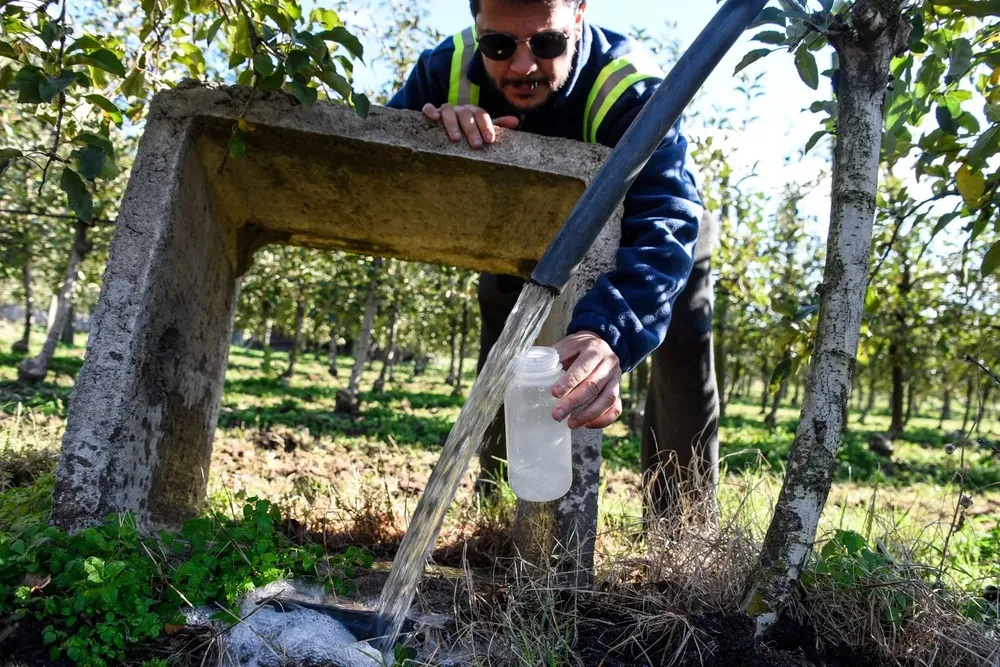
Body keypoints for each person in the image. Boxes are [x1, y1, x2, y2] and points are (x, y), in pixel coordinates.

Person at [387, 0, 719, 515]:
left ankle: (683, 523)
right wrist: (433, 135)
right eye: (498, 45)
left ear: (579, 17)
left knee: (679, 339)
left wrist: (609, 333)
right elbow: (383, 152)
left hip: (648, 231)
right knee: (509, 341)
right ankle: (500, 505)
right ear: (476, 25)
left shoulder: (630, 87)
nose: (523, 66)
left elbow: (665, 218)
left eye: (547, 43)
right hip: (524, 233)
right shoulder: (444, 69)